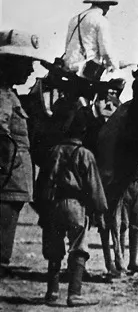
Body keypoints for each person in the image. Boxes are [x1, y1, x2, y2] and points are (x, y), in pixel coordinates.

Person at [34, 106, 107, 306]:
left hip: (53, 204)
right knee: (78, 247)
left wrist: (42, 209)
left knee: (54, 248)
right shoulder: (86, 155)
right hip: (76, 206)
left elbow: (41, 184)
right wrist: (100, 212)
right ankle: (74, 293)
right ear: (83, 132)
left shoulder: (53, 152)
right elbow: (94, 187)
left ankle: (52, 292)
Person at [0, 29, 49, 278]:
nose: (31, 70)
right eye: (26, 63)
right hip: (6, 188)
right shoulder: (3, 97)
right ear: (9, 63)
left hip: (12, 186)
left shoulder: (10, 95)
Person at [62, 0, 121, 79]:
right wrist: (114, 67)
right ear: (105, 4)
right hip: (85, 72)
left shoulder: (74, 19)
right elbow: (105, 51)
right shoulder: (101, 20)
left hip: (69, 69)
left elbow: (67, 47)